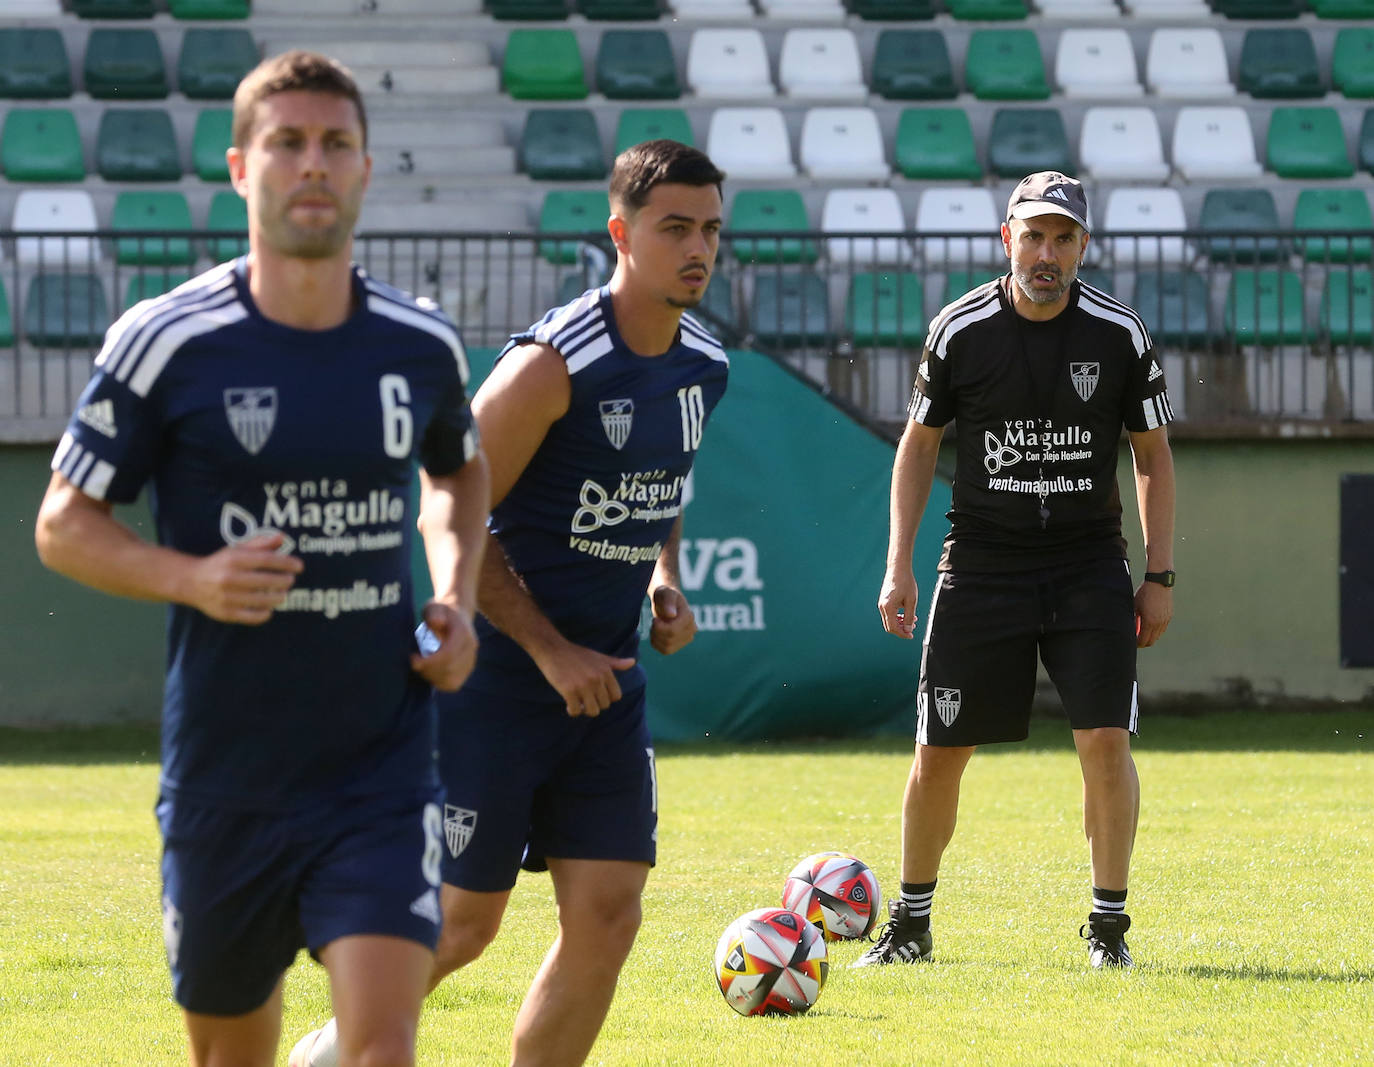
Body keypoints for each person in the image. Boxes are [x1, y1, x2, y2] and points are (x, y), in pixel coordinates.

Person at [34, 50, 490, 1067]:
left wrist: (454, 596)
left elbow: (459, 476)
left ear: (368, 167)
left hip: (378, 772)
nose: (312, 164)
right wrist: (188, 576)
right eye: (288, 143)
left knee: (381, 1050)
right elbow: (63, 522)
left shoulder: (420, 346)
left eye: (335, 144)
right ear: (241, 169)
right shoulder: (167, 341)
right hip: (225, 783)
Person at [290, 140, 729, 1067]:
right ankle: (330, 1052)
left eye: (712, 230)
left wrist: (662, 579)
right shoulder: (550, 365)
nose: (699, 248)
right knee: (462, 925)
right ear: (621, 233)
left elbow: (661, 484)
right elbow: (451, 507)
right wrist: (546, 648)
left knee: (609, 912)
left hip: (606, 687)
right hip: (493, 682)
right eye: (675, 227)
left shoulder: (703, 363)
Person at [855, 171, 1176, 972]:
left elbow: (1153, 458)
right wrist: (899, 564)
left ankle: (1109, 932)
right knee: (939, 750)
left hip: (1088, 567)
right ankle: (911, 923)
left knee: (1107, 742)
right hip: (983, 564)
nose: (1047, 252)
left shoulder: (1119, 334)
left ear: (1083, 249)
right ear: (1007, 239)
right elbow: (919, 446)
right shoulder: (959, 329)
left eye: (1063, 238)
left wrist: (1159, 574)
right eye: (1033, 235)